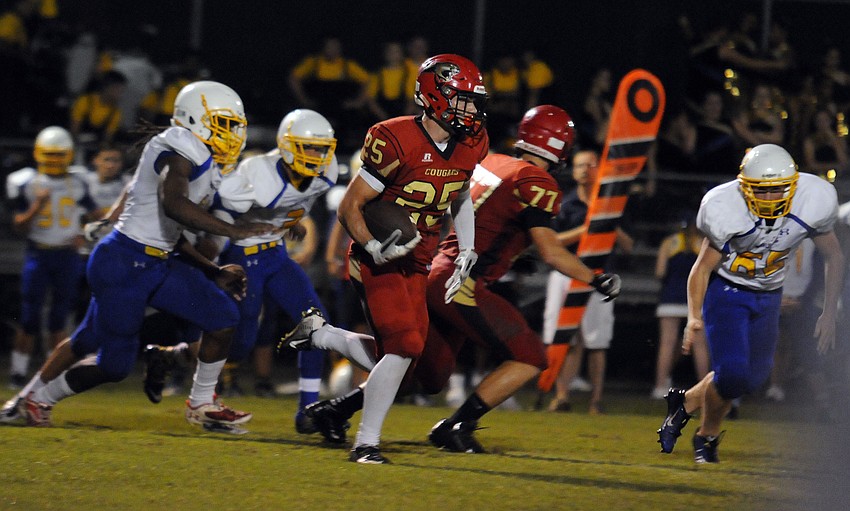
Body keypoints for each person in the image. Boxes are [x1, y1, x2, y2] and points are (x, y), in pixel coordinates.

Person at [284, 105, 621, 455]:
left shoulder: (494, 162)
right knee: (530, 355)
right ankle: (458, 425)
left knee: (423, 372)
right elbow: (551, 251)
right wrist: (595, 278)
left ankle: (335, 409)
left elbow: (491, 222)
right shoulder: (536, 181)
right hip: (461, 283)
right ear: (559, 147)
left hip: (438, 273)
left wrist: (510, 254)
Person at [1, 81, 274, 429]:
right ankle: (37, 400)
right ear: (194, 118)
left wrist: (212, 270)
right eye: (224, 123)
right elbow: (173, 205)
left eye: (235, 125)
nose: (232, 133)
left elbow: (168, 234)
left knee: (222, 316)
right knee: (113, 365)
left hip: (156, 261)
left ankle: (202, 403)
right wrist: (234, 232)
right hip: (124, 263)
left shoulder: (205, 160)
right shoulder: (179, 147)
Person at [285, 54, 489, 464]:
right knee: (404, 346)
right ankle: (366, 445)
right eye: (463, 99)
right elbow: (351, 206)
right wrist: (372, 245)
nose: (470, 109)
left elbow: (461, 193)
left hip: (419, 258)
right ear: (435, 95)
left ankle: (322, 335)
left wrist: (467, 247)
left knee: (407, 364)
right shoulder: (395, 138)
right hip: (377, 255)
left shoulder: (471, 142)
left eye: (473, 100)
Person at [144, 109, 371, 432]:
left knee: (316, 324)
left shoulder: (327, 171)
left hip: (276, 255)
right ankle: (173, 356)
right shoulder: (255, 173)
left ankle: (308, 412)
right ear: (288, 146)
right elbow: (219, 215)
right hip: (244, 257)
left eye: (322, 149)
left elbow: (298, 200)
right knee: (239, 346)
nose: (317, 156)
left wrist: (290, 222)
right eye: (309, 147)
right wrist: (211, 259)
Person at [657, 143, 844, 463]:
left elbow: (834, 256)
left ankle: (684, 403)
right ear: (744, 187)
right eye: (761, 189)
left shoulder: (813, 200)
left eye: (777, 189)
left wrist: (827, 312)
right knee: (731, 375)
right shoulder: (725, 207)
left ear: (793, 184)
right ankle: (706, 436)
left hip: (770, 297)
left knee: (753, 378)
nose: (769, 197)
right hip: (729, 293)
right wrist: (694, 316)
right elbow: (702, 267)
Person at [542, 148, 633, 415]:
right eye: (580, 165)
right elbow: (552, 243)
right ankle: (561, 396)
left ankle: (596, 401)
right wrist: (587, 229)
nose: (584, 170)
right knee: (564, 338)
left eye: (590, 165)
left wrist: (608, 221)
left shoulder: (613, 203)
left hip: (600, 276)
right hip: (567, 274)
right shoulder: (565, 203)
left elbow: (628, 245)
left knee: (596, 341)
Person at [4, 126, 95, 389]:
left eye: (59, 154)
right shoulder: (25, 181)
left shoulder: (79, 181)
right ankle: (18, 373)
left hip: (67, 255)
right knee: (29, 317)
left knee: (59, 317)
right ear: (38, 153)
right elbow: (18, 225)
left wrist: (83, 232)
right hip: (39, 252)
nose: (54, 160)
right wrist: (37, 205)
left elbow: (95, 214)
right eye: (50, 154)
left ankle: (55, 374)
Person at [650, 212, 709, 399]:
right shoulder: (703, 243)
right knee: (700, 346)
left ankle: (660, 386)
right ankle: (704, 389)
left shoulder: (669, 243)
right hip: (696, 300)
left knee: (667, 344)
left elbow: (660, 272)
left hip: (670, 298)